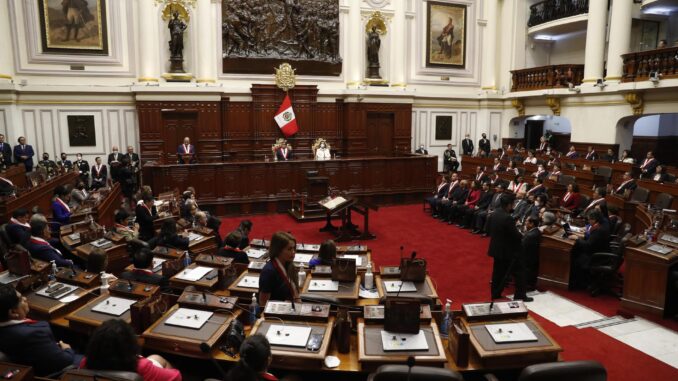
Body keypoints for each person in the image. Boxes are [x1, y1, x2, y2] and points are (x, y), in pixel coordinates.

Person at [0, 284, 83, 376]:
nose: (25, 299)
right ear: (13, 312)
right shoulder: (31, 335)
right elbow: (64, 361)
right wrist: (67, 349)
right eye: (20, 299)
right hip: (60, 370)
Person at [80, 319, 181, 381]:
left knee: (156, 358)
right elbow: (176, 376)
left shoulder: (85, 363)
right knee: (159, 359)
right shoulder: (142, 367)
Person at [487, 195, 532, 301]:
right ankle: (520, 295)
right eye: (513, 204)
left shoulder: (494, 213)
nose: (513, 206)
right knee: (519, 272)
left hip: (496, 249)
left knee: (497, 273)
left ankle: (495, 293)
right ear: (508, 205)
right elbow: (516, 236)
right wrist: (522, 233)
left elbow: (488, 229)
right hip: (509, 252)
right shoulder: (507, 218)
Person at [569, 210, 610, 289]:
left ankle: (577, 283)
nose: (588, 222)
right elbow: (592, 240)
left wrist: (577, 239)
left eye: (589, 219)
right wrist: (581, 236)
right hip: (599, 251)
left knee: (574, 256)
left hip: (597, 256)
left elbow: (588, 245)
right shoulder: (600, 225)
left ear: (594, 219)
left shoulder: (598, 230)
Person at [259, 232, 299, 306]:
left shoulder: (290, 266)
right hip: (276, 314)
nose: (293, 252)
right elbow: (263, 304)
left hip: (291, 308)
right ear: (278, 250)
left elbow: (296, 295)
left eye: (294, 248)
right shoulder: (269, 272)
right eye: (289, 249)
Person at [522, 216, 542, 291]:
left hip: (527, 259)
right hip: (533, 258)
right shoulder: (537, 231)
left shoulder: (530, 236)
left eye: (527, 221)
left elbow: (522, 247)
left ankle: (527, 286)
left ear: (532, 224)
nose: (525, 222)